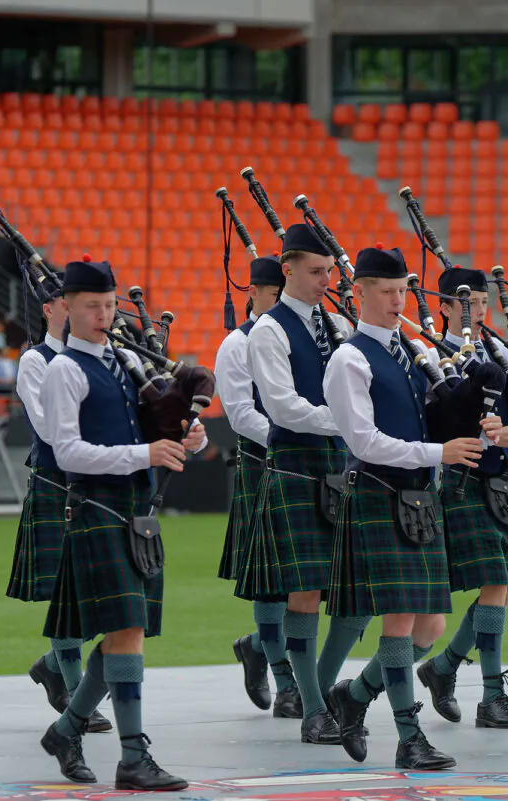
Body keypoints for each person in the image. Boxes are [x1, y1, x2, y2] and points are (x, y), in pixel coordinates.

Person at [38, 257, 206, 791]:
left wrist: (185, 441)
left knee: (123, 632)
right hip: (96, 509)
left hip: (136, 514)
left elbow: (156, 433)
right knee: (127, 630)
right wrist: (143, 453)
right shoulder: (65, 369)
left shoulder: (125, 362)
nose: (104, 315)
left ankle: (67, 730)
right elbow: (66, 452)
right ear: (67, 307)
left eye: (110, 305)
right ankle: (132, 757)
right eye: (92, 306)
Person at [323, 245, 493, 769]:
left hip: (421, 498)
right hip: (379, 493)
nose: (398, 300)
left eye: (403, 291)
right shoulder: (349, 358)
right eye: (387, 291)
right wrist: (436, 452)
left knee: (430, 628)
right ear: (360, 293)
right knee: (398, 623)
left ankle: (353, 697)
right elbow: (364, 441)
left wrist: (472, 425)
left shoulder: (415, 350)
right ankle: (408, 736)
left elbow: (431, 417)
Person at [235, 224, 361, 746]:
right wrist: (351, 422)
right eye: (314, 272)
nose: (323, 281)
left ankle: (323, 690)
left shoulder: (338, 325)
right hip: (295, 466)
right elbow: (281, 404)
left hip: (343, 467)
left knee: (357, 597)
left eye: (328, 272)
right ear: (286, 270)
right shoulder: (268, 329)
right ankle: (313, 710)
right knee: (305, 593)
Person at [418, 266, 508, 729]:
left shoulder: (500, 351)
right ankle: (491, 697)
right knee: (494, 586)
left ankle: (442, 668)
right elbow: (440, 422)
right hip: (463, 479)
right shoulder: (432, 354)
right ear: (444, 307)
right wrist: (490, 436)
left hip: (504, 483)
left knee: (503, 594)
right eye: (468, 304)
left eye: (483, 302)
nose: (480, 311)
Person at [8, 275, 111, 734]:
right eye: (65, 303)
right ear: (49, 309)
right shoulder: (36, 360)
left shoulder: (105, 357)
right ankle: (72, 691)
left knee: (95, 593)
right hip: (57, 480)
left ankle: (54, 663)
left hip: (99, 483)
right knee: (66, 592)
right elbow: (50, 430)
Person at [213, 255, 300, 717]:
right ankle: (287, 682)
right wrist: (287, 437)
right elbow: (241, 415)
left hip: (305, 465)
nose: (278, 302)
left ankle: (257, 647)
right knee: (272, 583)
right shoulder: (237, 344)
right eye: (271, 294)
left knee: (306, 581)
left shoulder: (301, 334)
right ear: (253, 293)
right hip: (264, 463)